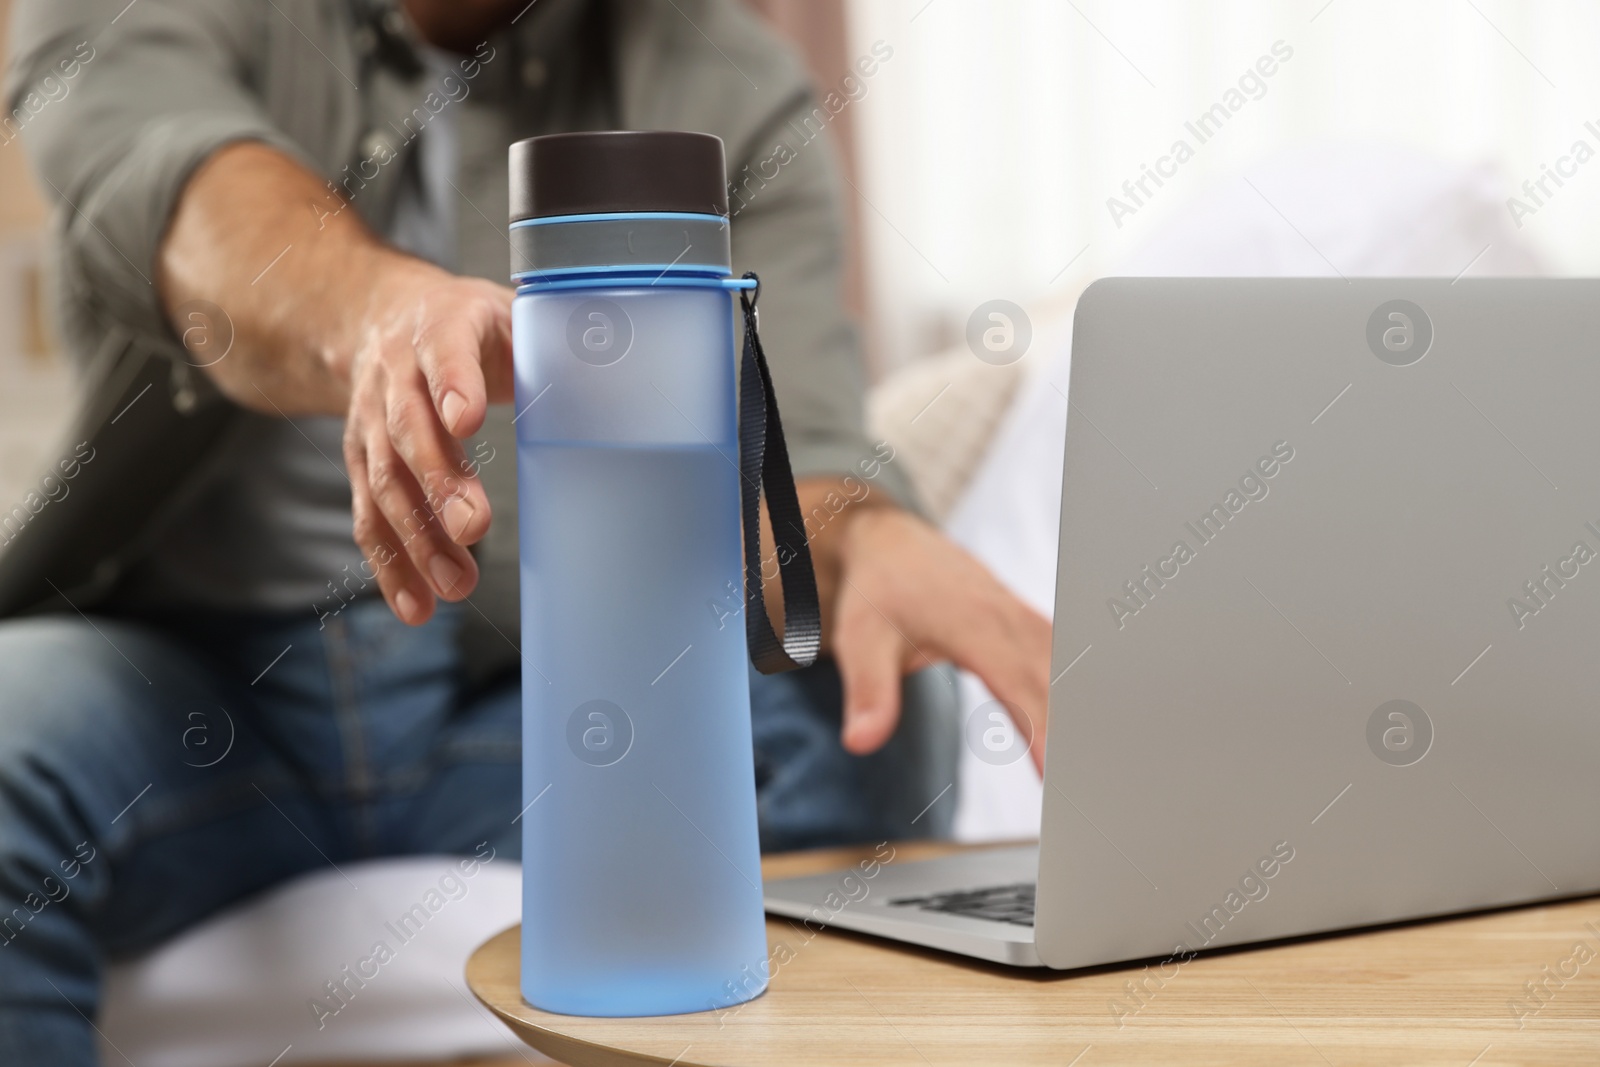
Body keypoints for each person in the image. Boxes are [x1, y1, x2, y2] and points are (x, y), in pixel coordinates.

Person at [0, 0, 1049, 1061]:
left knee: (847, 686)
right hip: (194, 692)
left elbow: (799, 446)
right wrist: (376, 317)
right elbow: (184, 199)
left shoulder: (730, 82)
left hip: (516, 713)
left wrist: (861, 535)